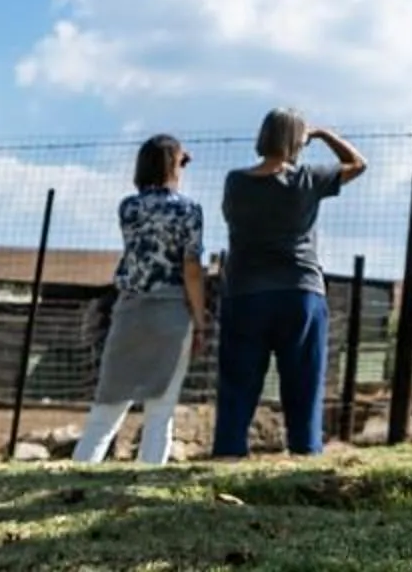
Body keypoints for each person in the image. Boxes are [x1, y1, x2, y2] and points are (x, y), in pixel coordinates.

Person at [211, 107, 368, 457]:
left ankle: (228, 451)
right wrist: (325, 134)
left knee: (238, 379)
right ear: (299, 140)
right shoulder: (308, 179)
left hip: (245, 291)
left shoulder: (236, 181)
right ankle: (305, 449)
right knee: (303, 379)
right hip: (300, 291)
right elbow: (358, 164)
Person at [73, 134, 207, 464]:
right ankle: (146, 479)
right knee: (161, 410)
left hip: (130, 309)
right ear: (174, 165)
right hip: (172, 312)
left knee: (108, 404)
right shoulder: (189, 211)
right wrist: (201, 320)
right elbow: (191, 267)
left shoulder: (129, 208)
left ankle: (78, 470)